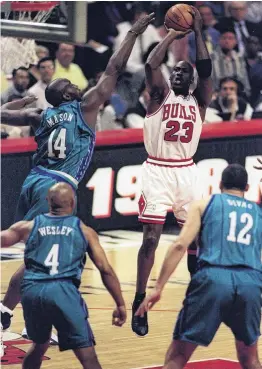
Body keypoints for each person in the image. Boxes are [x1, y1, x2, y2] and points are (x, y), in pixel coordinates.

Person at [0, 13, 155, 333]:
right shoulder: (85, 106)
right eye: (70, 84)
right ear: (69, 95)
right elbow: (114, 68)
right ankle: (13, 313)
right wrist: (134, 34)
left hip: (33, 181)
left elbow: (1, 114)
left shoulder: (39, 115)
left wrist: (21, 104)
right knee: (42, 258)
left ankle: (14, 312)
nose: (75, 84)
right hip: (55, 187)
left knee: (36, 255)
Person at [131, 6, 213, 336]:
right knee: (150, 239)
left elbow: (207, 69)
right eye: (175, 72)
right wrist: (171, 36)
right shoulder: (158, 96)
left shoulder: (200, 101)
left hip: (187, 172)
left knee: (196, 237)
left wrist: (200, 34)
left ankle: (197, 298)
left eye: (184, 73)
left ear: (191, 81)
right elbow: (152, 63)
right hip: (157, 170)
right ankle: (139, 302)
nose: (178, 75)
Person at [136, 164, 262, 369]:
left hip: (214, 278)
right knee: (250, 360)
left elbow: (179, 245)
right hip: (250, 283)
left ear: (220, 185)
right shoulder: (257, 213)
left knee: (176, 357)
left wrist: (158, 288)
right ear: (247, 188)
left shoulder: (203, 205)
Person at [1, 183, 126, 369]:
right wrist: (120, 303)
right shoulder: (84, 231)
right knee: (88, 356)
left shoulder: (28, 226)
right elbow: (105, 269)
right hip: (63, 292)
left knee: (38, 346)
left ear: (47, 202)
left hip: (33, 292)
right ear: (73, 202)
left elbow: (3, 239)